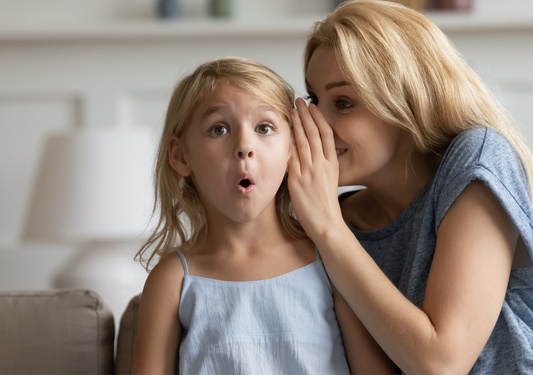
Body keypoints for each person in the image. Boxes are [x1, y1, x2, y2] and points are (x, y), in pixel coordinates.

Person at [288, 1, 533, 374]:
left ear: (407, 100)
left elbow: (441, 363)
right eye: (313, 100)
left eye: (343, 102)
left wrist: (327, 228)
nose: (317, 124)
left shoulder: (477, 159)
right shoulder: (333, 220)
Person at [130, 56, 395, 374]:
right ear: (181, 155)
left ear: (293, 146)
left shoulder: (330, 259)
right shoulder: (172, 280)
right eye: (219, 129)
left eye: (264, 128)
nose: (244, 146)